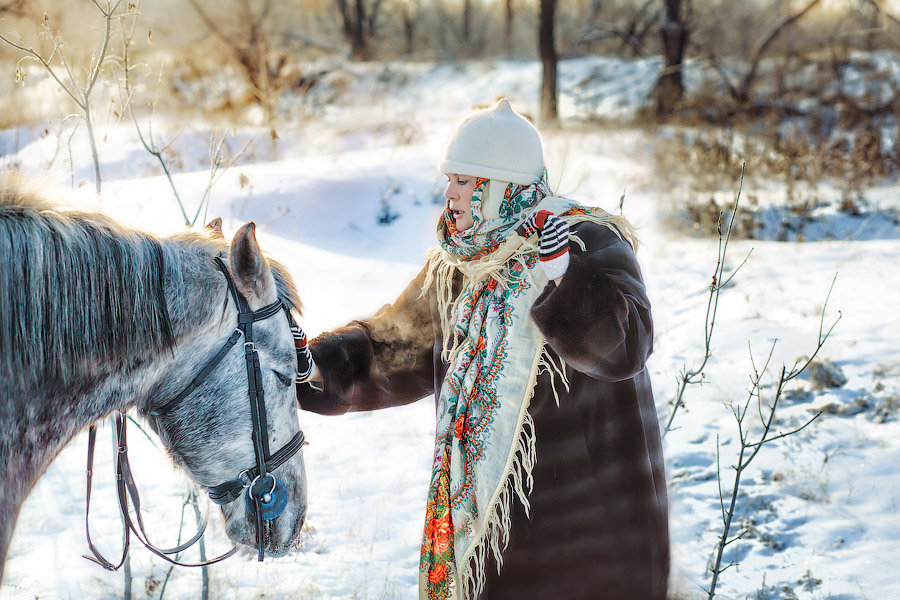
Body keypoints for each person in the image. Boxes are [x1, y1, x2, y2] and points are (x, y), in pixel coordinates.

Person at [296, 98, 669, 600]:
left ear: (502, 185)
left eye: (464, 180)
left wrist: (561, 273)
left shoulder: (586, 239)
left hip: (585, 514)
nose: (448, 192)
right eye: (449, 177)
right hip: (489, 521)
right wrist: (315, 362)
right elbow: (396, 340)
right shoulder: (462, 261)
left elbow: (626, 348)